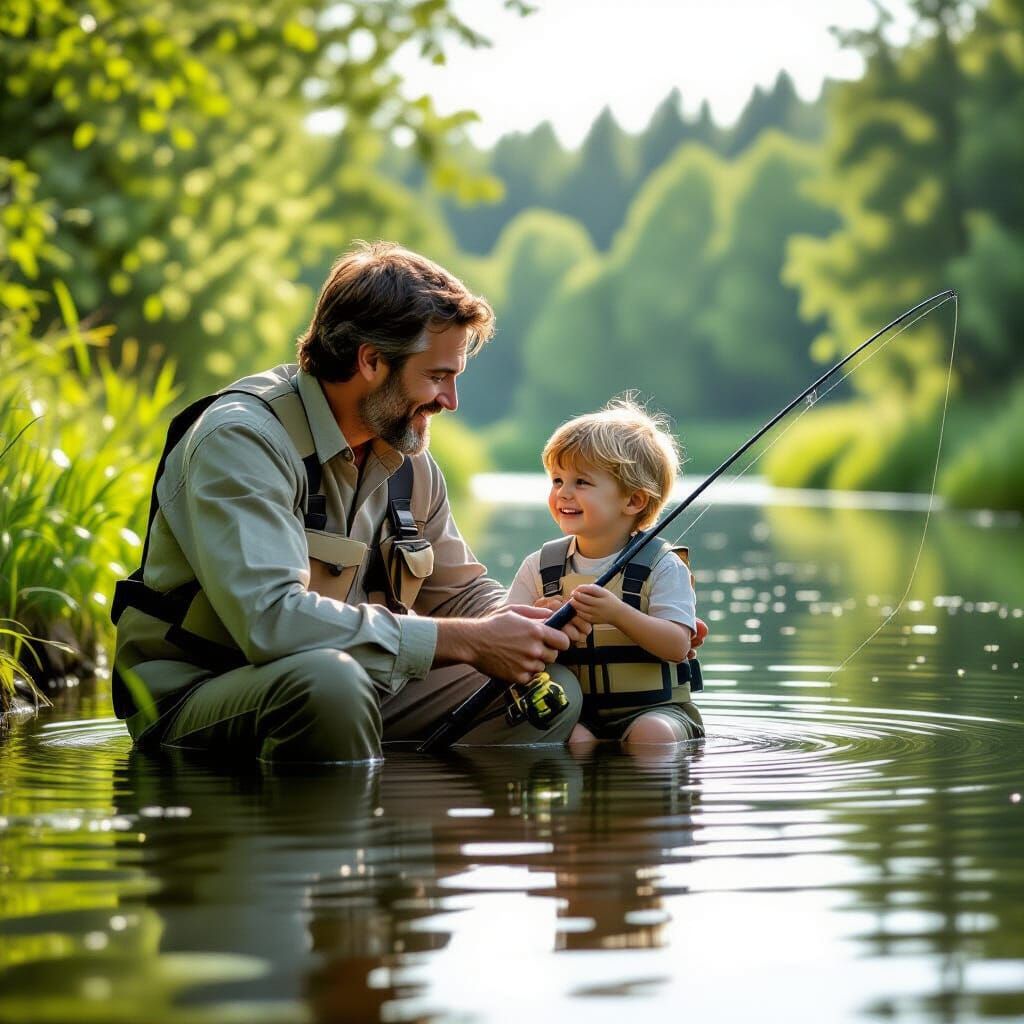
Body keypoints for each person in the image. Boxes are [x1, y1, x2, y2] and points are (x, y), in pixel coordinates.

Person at [111, 241, 591, 763]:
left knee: (550, 688)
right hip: (202, 693)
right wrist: (470, 641)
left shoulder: (407, 457)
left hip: (351, 683)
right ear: (371, 360)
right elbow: (272, 621)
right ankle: (350, 801)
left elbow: (459, 592)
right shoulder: (241, 440)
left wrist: (522, 626)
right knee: (331, 686)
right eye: (437, 376)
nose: (450, 401)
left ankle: (405, 805)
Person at [506, 398, 707, 747]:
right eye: (557, 480)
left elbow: (677, 645)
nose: (563, 493)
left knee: (651, 735)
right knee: (575, 741)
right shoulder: (538, 566)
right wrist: (540, 620)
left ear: (633, 501)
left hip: (657, 710)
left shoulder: (663, 565)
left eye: (581, 482)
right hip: (576, 715)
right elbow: (506, 637)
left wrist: (616, 613)